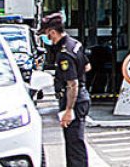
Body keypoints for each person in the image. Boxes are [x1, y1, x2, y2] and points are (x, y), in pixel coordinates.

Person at [38, 13, 90, 167]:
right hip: (82, 95)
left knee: (74, 144)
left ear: (52, 32)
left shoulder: (64, 55)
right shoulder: (75, 44)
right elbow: (87, 66)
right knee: (75, 142)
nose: (47, 39)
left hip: (73, 99)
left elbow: (72, 84)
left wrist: (68, 110)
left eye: (46, 34)